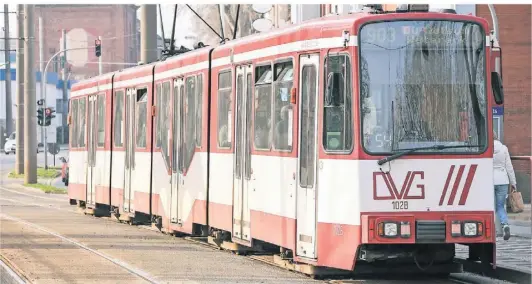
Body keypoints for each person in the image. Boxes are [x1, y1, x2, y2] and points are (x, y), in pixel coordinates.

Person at [493, 130, 517, 241]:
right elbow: (509, 167)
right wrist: (513, 183)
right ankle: (505, 225)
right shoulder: (504, 148)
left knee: (490, 207)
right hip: (503, 179)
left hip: (489, 180)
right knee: (500, 206)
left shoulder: (485, 148)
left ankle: (492, 230)